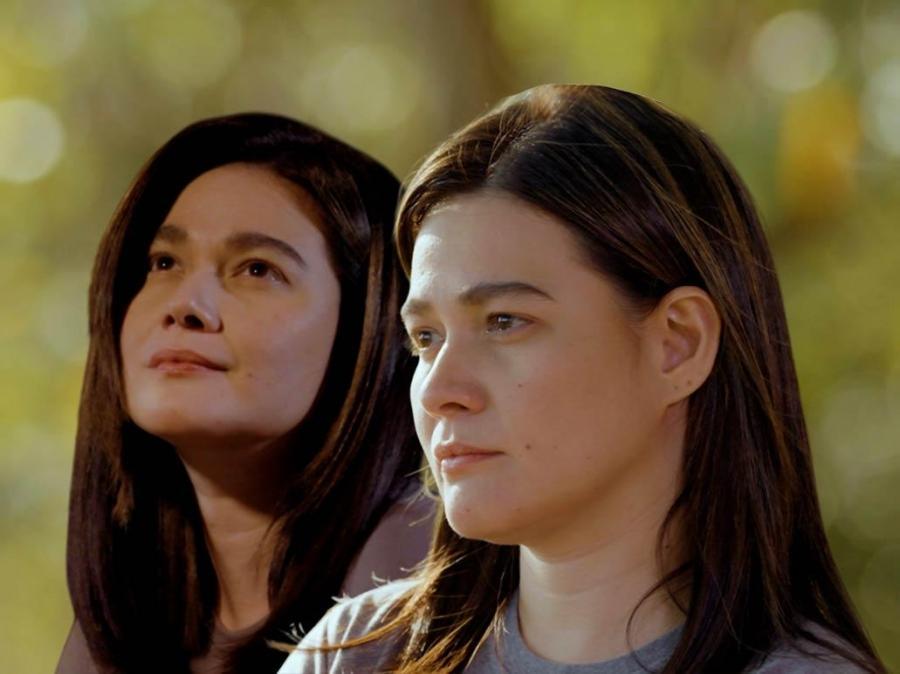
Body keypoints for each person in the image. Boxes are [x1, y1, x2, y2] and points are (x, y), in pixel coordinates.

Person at [279, 85, 886, 673]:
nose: (439, 392)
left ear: (678, 344)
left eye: (504, 322)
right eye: (426, 338)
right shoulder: (353, 658)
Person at [56, 113, 432, 674]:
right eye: (164, 262)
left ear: (367, 333)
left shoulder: (430, 584)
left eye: (256, 269)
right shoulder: (125, 616)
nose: (185, 305)